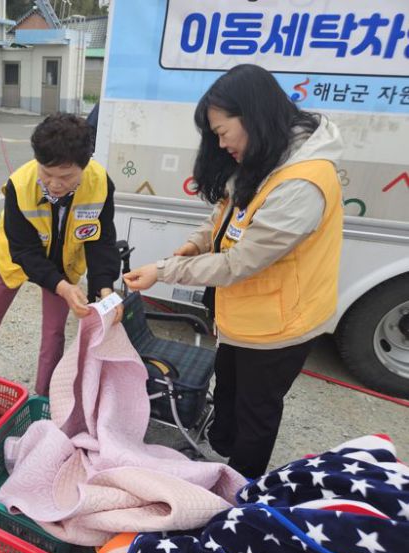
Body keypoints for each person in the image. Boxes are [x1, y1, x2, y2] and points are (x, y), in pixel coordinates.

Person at [124, 64, 344, 479]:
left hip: (280, 326)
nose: (221, 143)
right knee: (227, 385)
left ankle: (241, 485)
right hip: (243, 317)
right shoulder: (265, 155)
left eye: (223, 131)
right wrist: (196, 242)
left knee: (256, 409)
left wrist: (165, 269)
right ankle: (218, 446)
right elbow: (226, 215)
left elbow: (240, 263)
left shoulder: (302, 183)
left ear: (253, 115)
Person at [0, 113, 122, 396]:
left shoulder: (100, 184)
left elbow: (101, 240)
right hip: (12, 258)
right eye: (46, 173)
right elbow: (24, 249)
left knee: (54, 334)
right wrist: (60, 286)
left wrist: (105, 287)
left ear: (85, 166)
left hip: (65, 265)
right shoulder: (19, 185)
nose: (54, 184)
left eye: (66, 177)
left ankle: (44, 398)